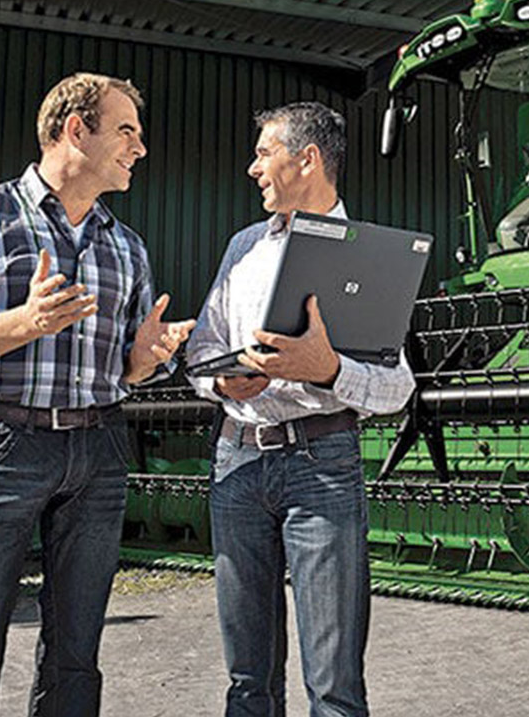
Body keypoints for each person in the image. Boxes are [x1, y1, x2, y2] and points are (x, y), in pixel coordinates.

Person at [0, 73, 195, 717]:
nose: (140, 147)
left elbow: (127, 372)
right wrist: (23, 323)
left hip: (98, 446)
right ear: (76, 130)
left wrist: (144, 358)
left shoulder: (127, 247)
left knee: (78, 646)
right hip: (1, 444)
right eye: (126, 131)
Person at [186, 102, 415, 717]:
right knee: (247, 679)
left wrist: (330, 370)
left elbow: (399, 389)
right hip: (237, 463)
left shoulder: (371, 256)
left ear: (307, 158)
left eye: (264, 152)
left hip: (323, 468)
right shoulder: (243, 248)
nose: (253, 166)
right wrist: (223, 385)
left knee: (335, 683)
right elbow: (202, 351)